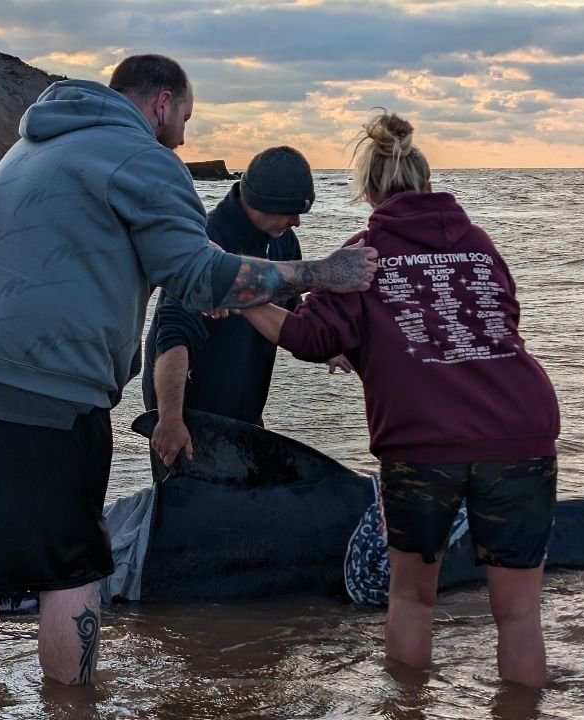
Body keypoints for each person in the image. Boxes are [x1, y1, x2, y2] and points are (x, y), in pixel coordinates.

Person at [0, 54, 378, 686]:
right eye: (185, 115)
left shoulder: (33, 145)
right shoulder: (144, 158)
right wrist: (320, 273)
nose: (185, 132)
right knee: (72, 569)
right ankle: (72, 706)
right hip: (45, 384)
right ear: (161, 104)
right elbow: (195, 275)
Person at [238, 112, 560, 687]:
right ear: (427, 181)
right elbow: (491, 324)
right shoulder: (480, 245)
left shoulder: (367, 251)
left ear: (368, 189)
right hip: (522, 427)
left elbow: (309, 337)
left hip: (424, 442)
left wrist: (243, 301)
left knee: (412, 599)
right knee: (518, 613)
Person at [142, 145, 351, 472]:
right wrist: (169, 419)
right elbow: (171, 337)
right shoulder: (207, 242)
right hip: (190, 417)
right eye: (292, 211)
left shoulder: (282, 240)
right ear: (264, 204)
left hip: (245, 414)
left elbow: (291, 313)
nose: (296, 221)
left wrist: (327, 347)